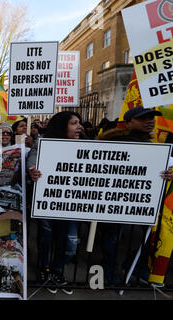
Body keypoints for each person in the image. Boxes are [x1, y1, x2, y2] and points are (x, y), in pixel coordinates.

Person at [96, 106, 173, 286]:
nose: (150, 121)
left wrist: (167, 174)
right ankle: (110, 274)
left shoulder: (152, 145)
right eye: (143, 118)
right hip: (115, 201)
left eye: (151, 117)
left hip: (142, 202)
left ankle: (132, 267)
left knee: (147, 236)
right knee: (113, 238)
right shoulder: (116, 142)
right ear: (129, 122)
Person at [27, 111, 84, 295]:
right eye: (74, 123)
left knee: (70, 243)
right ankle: (46, 270)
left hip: (73, 205)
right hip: (49, 204)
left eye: (79, 123)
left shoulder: (86, 145)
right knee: (47, 237)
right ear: (62, 126)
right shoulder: (42, 143)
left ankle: (58, 269)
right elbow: (32, 162)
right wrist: (33, 171)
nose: (79, 127)